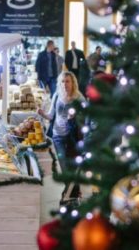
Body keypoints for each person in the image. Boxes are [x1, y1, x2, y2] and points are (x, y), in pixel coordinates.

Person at [37, 71, 85, 202]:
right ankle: (72, 193)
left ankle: (70, 195)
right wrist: (42, 114)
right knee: (64, 167)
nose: (65, 84)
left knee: (72, 166)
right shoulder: (57, 95)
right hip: (58, 136)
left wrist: (76, 117)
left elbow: (85, 118)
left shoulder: (79, 98)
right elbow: (51, 115)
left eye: (68, 81)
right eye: (62, 81)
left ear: (73, 83)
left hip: (72, 137)